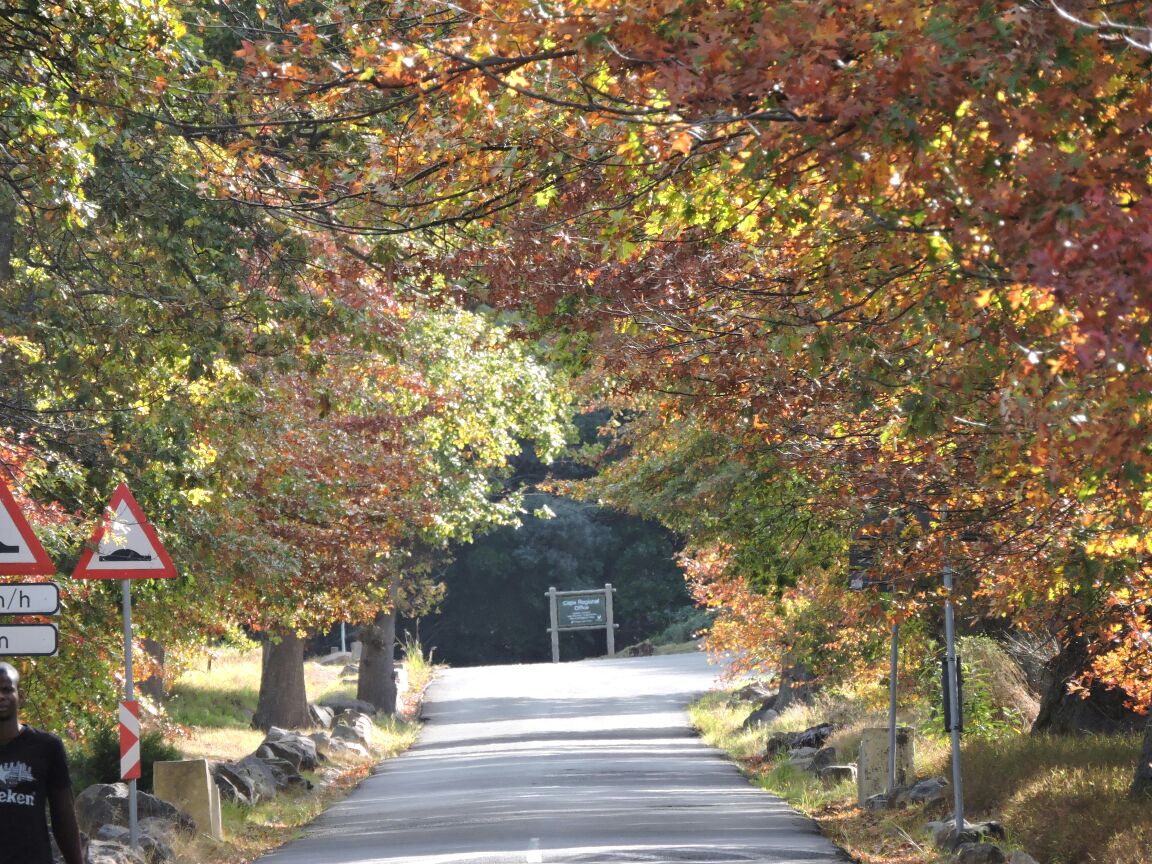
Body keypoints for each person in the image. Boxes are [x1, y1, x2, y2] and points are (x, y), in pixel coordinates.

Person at [0, 661, 83, 864]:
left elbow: (63, 814)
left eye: (6, 689)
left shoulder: (47, 746)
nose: (0, 696)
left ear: (21, 696)